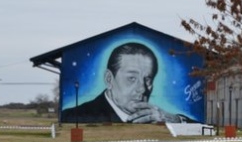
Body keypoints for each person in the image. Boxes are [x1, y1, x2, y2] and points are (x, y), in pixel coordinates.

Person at [61, 42, 194, 124]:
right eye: (132, 78)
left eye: (147, 79)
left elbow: (205, 130)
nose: (142, 89)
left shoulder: (156, 117)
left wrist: (175, 120)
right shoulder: (73, 116)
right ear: (109, 79)